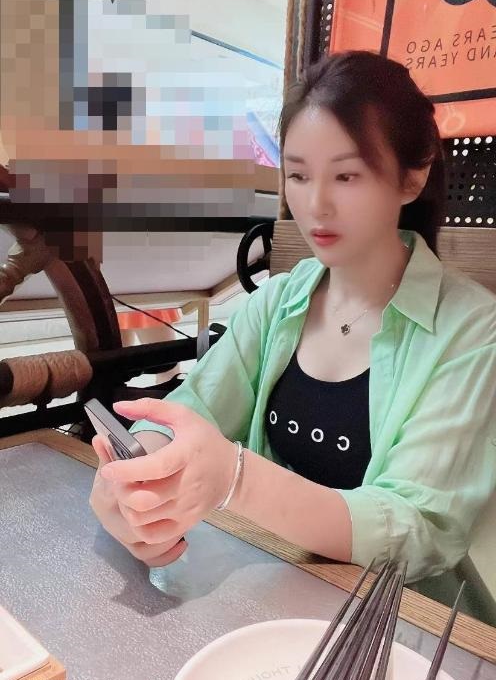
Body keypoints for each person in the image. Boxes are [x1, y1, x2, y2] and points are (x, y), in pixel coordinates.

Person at [90, 51, 496, 586]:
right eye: (298, 175)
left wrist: (236, 480)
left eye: (346, 175)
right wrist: (141, 472)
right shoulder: (279, 300)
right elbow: (196, 407)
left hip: (395, 613)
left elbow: (415, 529)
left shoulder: (473, 330)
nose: (316, 205)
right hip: (273, 585)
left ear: (412, 177)